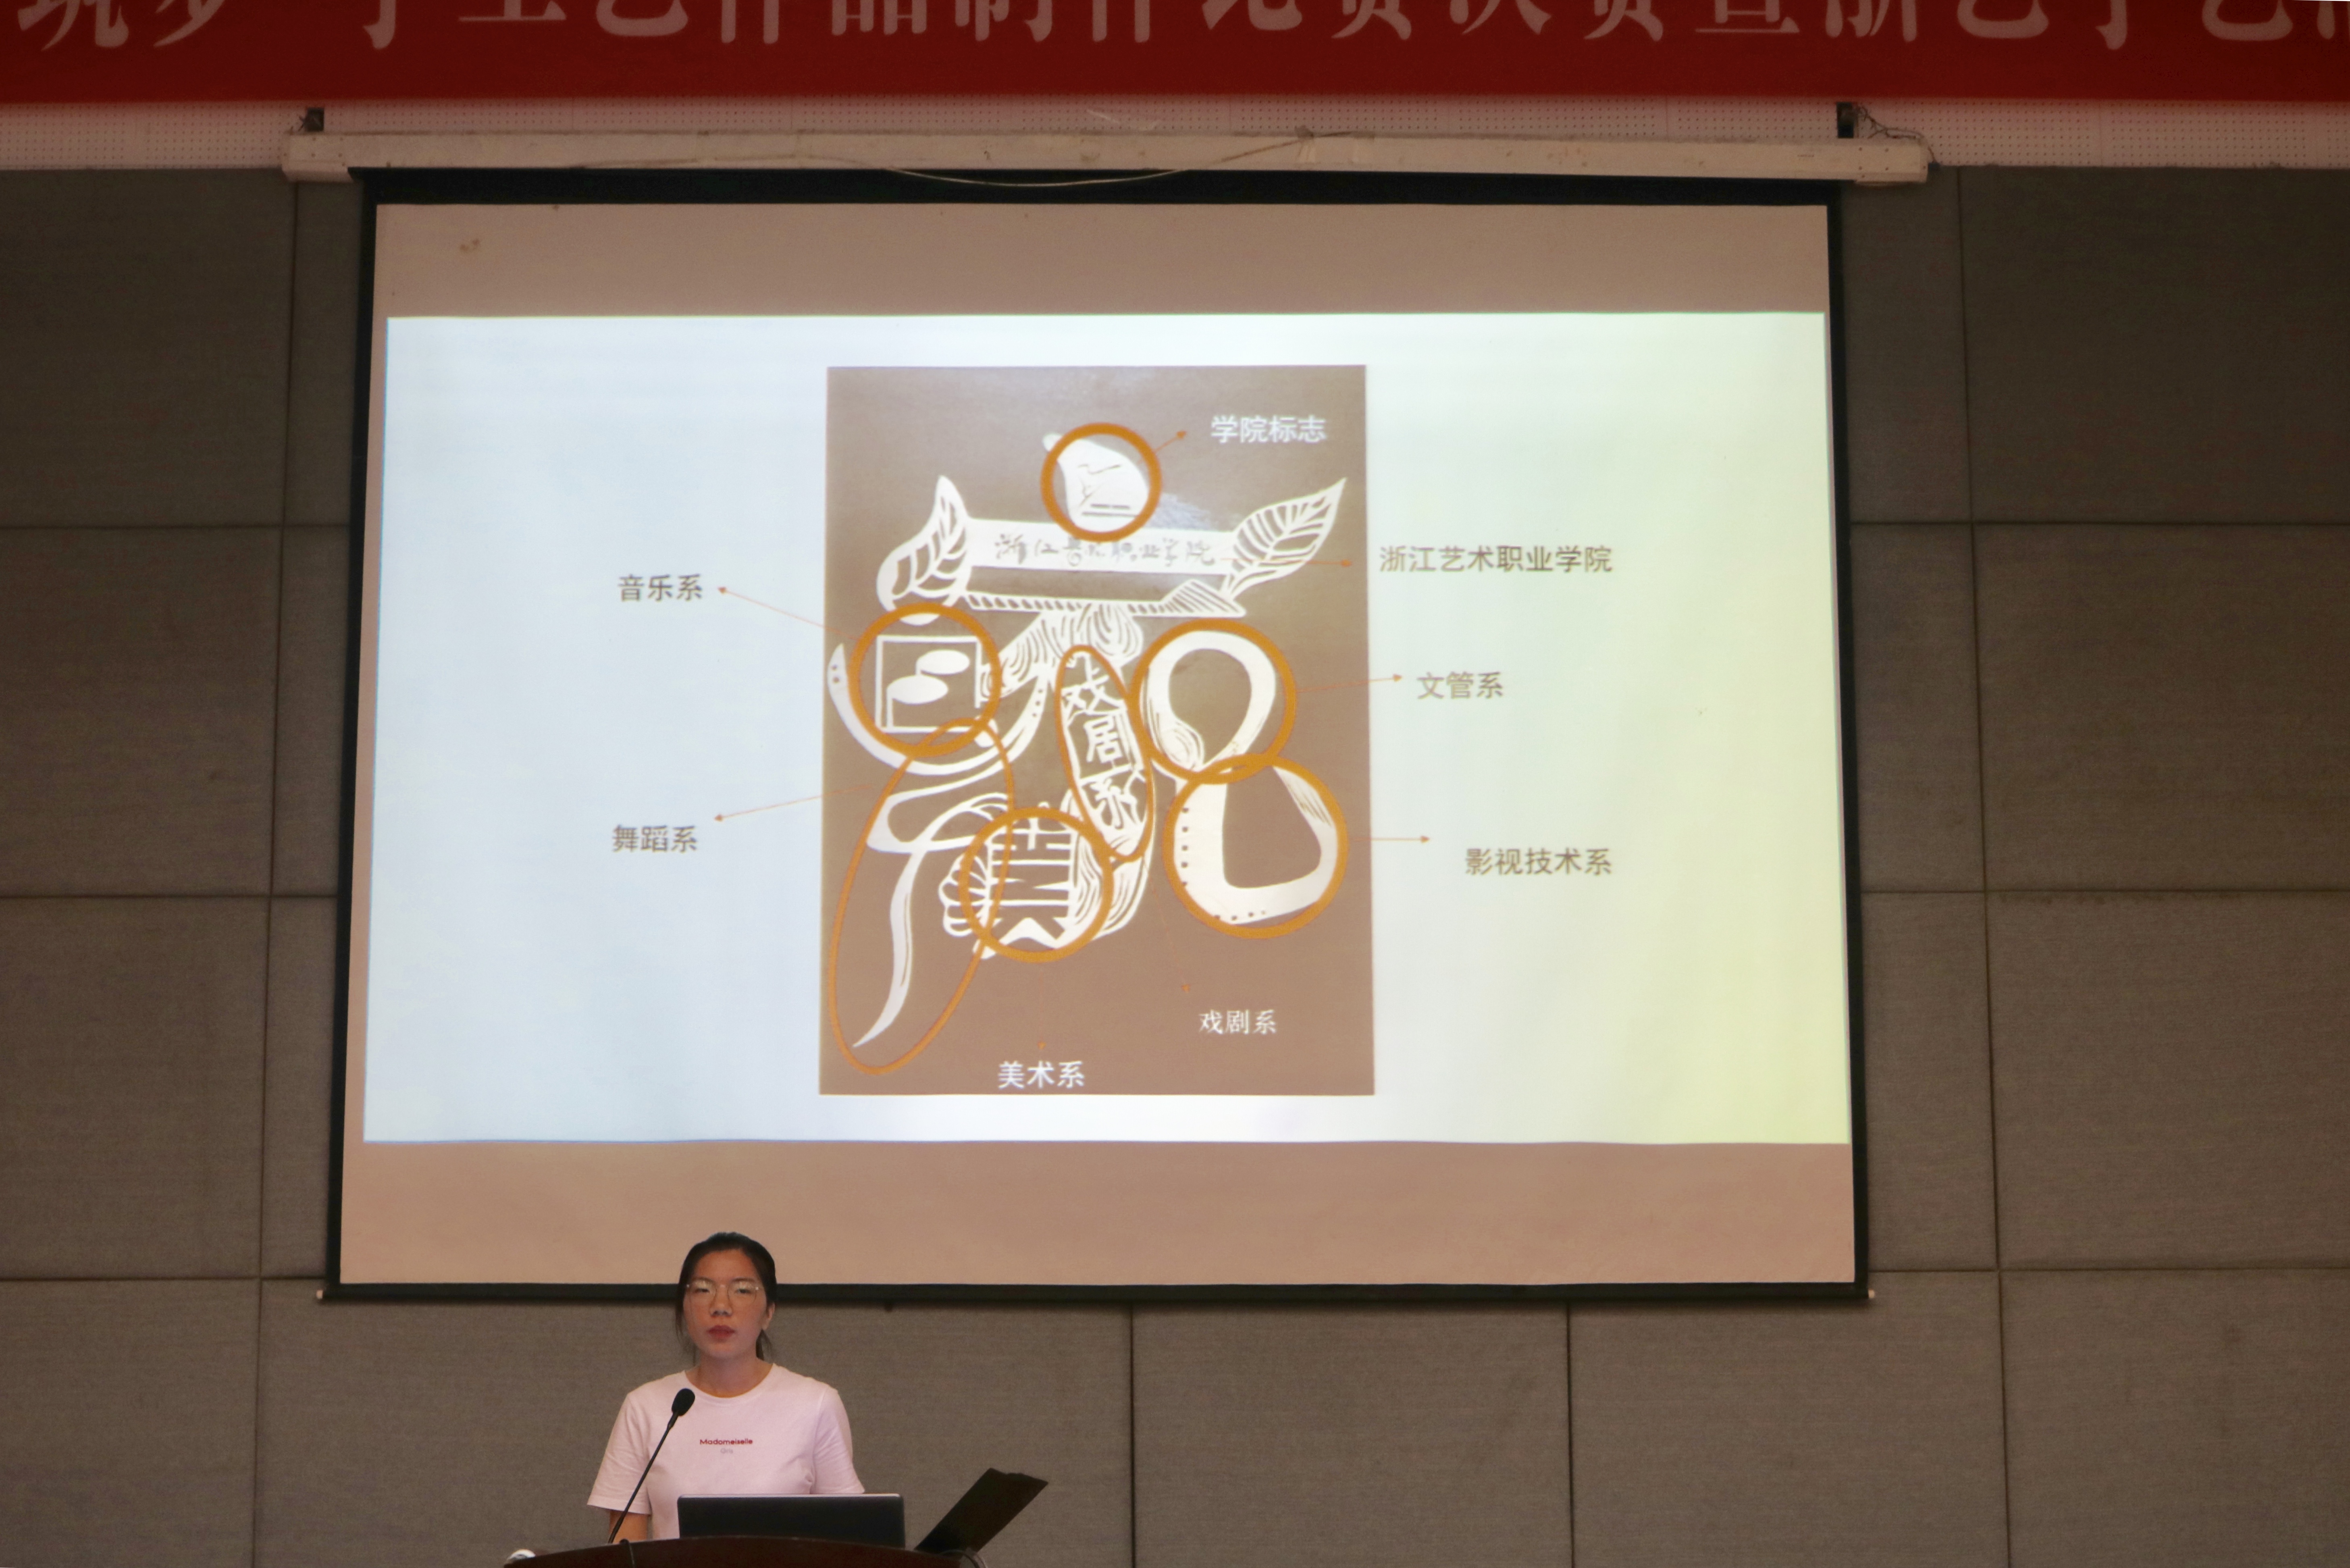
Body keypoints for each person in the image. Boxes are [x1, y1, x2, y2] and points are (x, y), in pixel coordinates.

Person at [589, 1232, 862, 1541]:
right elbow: (625, 1549)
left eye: (742, 1290)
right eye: (703, 1290)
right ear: (684, 1307)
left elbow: (846, 1541)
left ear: (769, 1312)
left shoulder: (816, 1404)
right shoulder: (645, 1407)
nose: (720, 1306)